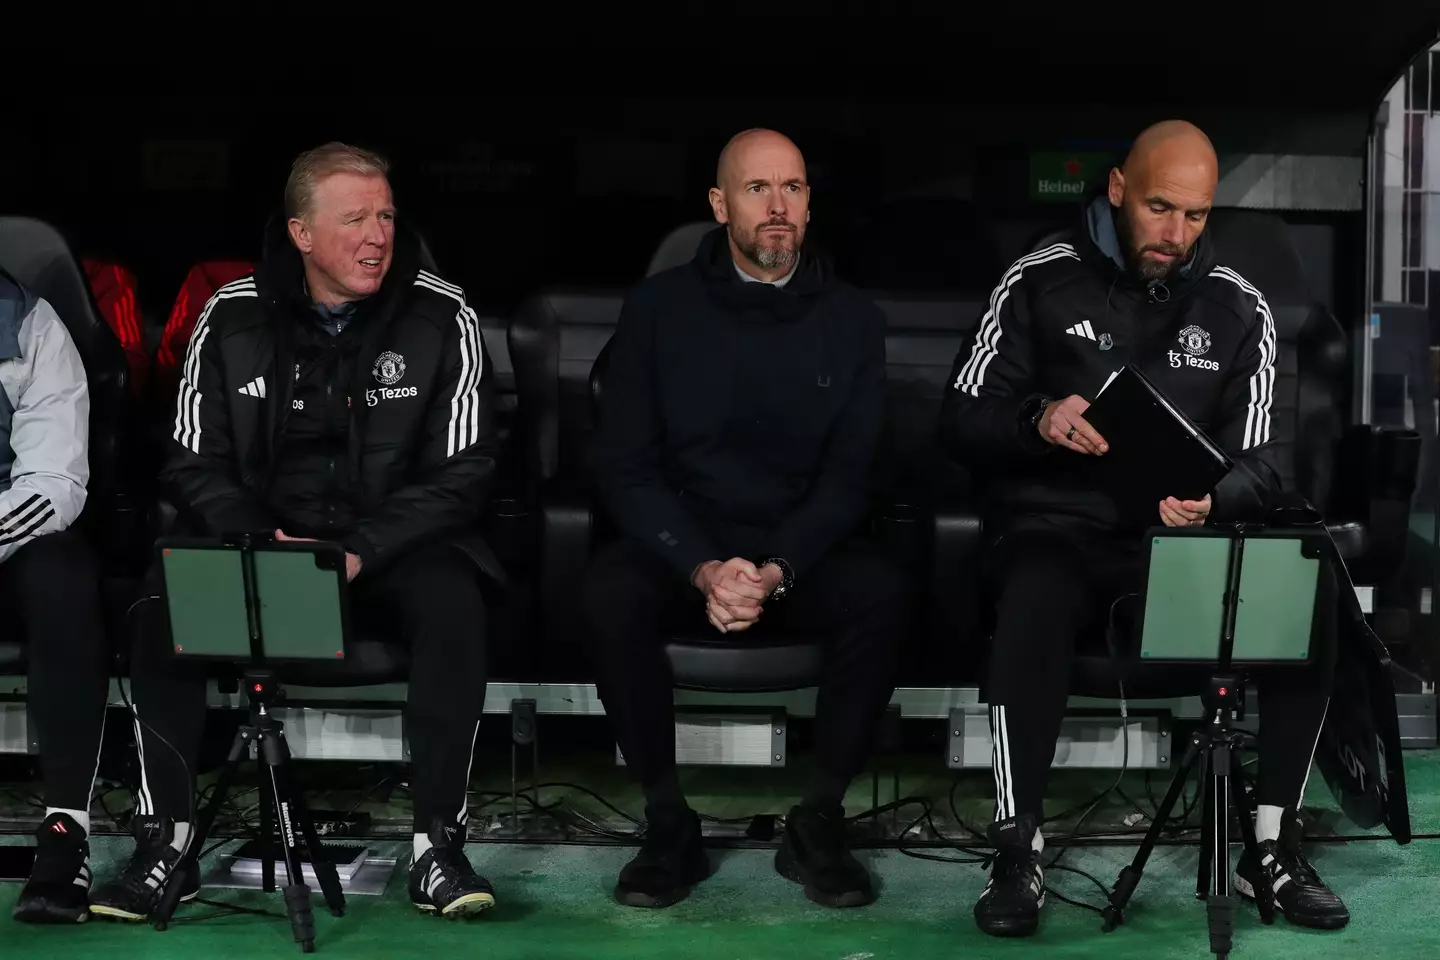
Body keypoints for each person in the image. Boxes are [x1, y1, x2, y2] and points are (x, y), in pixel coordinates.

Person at [938, 119, 1348, 937]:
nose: (1176, 233)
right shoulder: (1040, 278)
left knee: (1307, 590)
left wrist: (1219, 501)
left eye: (1196, 215)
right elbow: (958, 416)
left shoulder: (1239, 305)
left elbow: (1269, 459)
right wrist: (1037, 418)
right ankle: (1017, 846)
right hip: (1059, 529)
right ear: (1120, 189)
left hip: (1179, 543)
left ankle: (1271, 844)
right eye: (1161, 208)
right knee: (1036, 590)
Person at [89, 143, 502, 921]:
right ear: (302, 234)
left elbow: (467, 472)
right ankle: (165, 844)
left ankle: (437, 848)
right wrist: (260, 538)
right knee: (161, 603)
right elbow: (187, 459)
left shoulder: (444, 313)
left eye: (384, 215)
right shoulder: (234, 311)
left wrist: (359, 551)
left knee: (456, 601)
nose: (377, 234)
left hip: (389, 550)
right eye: (354, 219)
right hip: (265, 547)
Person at [581, 128, 910, 911]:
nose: (777, 208)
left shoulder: (854, 320)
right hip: (687, 543)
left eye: (792, 189)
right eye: (757, 190)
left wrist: (774, 570)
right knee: (607, 592)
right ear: (719, 205)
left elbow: (850, 477)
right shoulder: (659, 310)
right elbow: (625, 464)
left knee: (887, 593)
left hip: (797, 548)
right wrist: (700, 567)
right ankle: (668, 825)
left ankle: (818, 822)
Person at [0, 270, 111, 925]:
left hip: (13, 534)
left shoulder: (30, 323)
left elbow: (54, 482)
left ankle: (65, 836)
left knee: (66, 580)